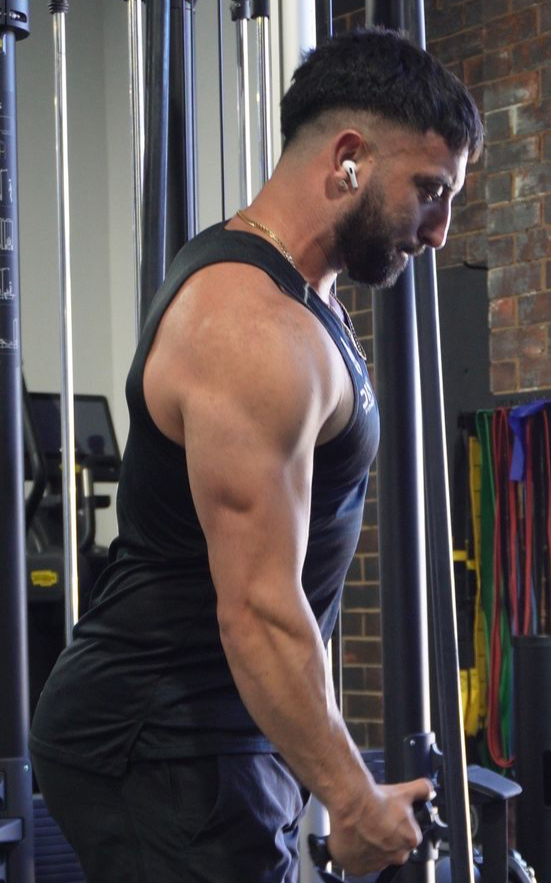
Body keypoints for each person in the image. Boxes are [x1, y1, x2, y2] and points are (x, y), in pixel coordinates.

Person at [30, 26, 483, 883]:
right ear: (348, 158)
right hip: (161, 739)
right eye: (429, 190)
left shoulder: (306, 299)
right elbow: (259, 608)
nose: (438, 231)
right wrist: (353, 799)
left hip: (212, 732)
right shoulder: (251, 327)